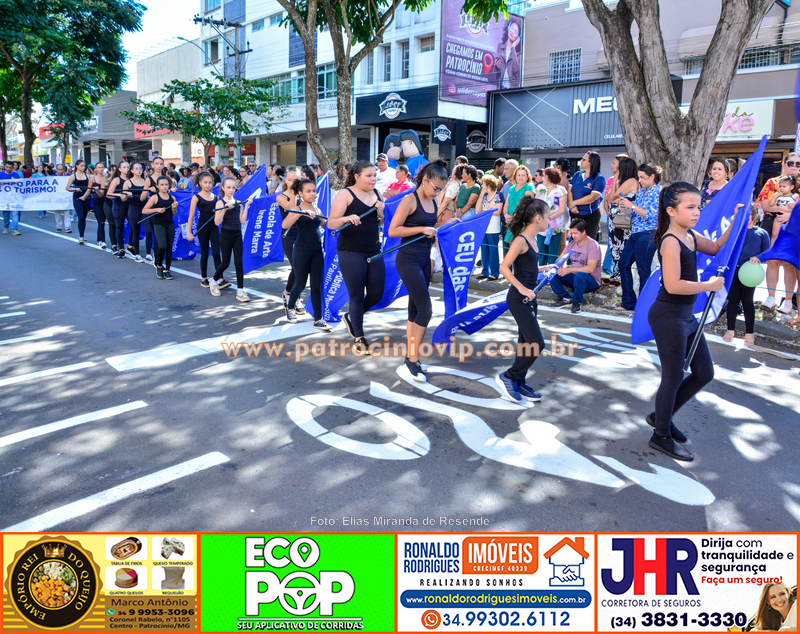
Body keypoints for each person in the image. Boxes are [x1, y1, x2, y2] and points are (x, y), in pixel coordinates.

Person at [646, 182, 738, 461]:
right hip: (668, 316)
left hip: (686, 317)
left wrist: (737, 220)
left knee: (704, 373)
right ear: (671, 210)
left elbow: (717, 247)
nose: (697, 212)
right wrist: (709, 286)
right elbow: (673, 285)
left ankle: (661, 416)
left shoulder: (690, 235)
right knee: (673, 377)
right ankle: (660, 435)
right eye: (691, 207)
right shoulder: (670, 241)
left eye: (699, 206)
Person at [389, 159, 449, 381]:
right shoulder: (409, 199)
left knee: (415, 311)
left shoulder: (433, 202)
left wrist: (448, 226)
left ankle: (410, 356)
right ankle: (413, 359)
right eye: (435, 188)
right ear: (425, 181)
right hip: (408, 260)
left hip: (425, 259)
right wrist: (421, 229)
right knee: (426, 310)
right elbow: (393, 231)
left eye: (441, 190)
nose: (438, 193)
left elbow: (431, 229)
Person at [496, 196, 550, 404]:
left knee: (525, 342)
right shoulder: (520, 240)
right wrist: (522, 288)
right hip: (519, 298)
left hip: (529, 297)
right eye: (547, 216)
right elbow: (504, 267)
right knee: (537, 343)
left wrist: (545, 268)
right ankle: (510, 376)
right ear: (538, 218)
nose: (549, 220)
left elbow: (527, 269)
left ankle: (519, 380)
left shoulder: (533, 240)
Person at [328, 161, 386, 352]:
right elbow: (331, 224)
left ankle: (352, 316)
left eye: (374, 175)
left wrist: (381, 213)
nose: (373, 179)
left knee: (377, 293)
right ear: (357, 176)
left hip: (373, 249)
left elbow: (380, 223)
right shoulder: (346, 194)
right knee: (356, 295)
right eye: (368, 175)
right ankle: (359, 337)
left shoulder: (377, 194)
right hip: (350, 251)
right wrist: (346, 218)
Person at [282, 178, 331, 330]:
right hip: (301, 251)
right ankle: (290, 308)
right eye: (308, 191)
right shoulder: (296, 208)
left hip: (317, 252)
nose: (312, 194)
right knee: (300, 284)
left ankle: (318, 319)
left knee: (316, 286)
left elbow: (327, 226)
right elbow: (284, 225)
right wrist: (301, 213)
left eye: (314, 191)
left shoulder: (318, 210)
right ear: (300, 193)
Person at [616, 163, 662, 311]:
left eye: (643, 177)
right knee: (623, 265)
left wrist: (632, 206)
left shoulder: (659, 191)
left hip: (649, 233)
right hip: (636, 232)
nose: (640, 180)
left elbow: (651, 215)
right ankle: (629, 302)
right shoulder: (642, 192)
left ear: (653, 177)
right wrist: (625, 208)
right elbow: (634, 214)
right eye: (639, 177)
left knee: (643, 271)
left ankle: (643, 306)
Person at [757, 153, 800, 312]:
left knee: (790, 264)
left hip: (795, 228)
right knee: (773, 260)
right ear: (784, 164)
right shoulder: (773, 182)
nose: (794, 166)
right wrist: (784, 210)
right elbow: (765, 205)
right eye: (791, 163)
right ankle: (770, 297)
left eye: (798, 164)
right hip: (772, 223)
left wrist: (792, 215)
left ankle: (788, 301)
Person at [724, 205, 770, 345]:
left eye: (749, 214)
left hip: (749, 273)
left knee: (747, 301)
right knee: (733, 300)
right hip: (735, 270)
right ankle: (730, 329)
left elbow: (766, 253)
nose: (746, 216)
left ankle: (749, 333)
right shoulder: (736, 231)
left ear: (755, 216)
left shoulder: (761, 233)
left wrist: (758, 258)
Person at [209, 177, 253, 302]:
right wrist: (224, 208)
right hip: (226, 235)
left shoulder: (238, 202)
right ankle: (214, 281)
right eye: (228, 187)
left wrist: (246, 206)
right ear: (223, 188)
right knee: (226, 263)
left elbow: (242, 220)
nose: (231, 190)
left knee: (239, 263)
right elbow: (217, 222)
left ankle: (240, 291)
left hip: (237, 234)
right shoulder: (220, 202)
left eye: (233, 187)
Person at [549, 218, 602, 314]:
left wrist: (569, 270)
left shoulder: (593, 245)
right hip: (575, 277)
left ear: (584, 232)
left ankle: (577, 302)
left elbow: (590, 269)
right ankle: (565, 298)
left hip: (591, 280)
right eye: (571, 233)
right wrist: (556, 267)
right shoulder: (572, 244)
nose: (573, 236)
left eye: (575, 233)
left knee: (580, 275)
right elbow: (560, 259)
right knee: (552, 273)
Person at [187, 171, 227, 289]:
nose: (208, 185)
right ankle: (204, 278)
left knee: (216, 253)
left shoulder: (216, 197)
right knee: (204, 253)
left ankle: (220, 278)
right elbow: (191, 215)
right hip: (202, 227)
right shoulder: (196, 197)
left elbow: (220, 213)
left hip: (214, 227)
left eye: (210, 182)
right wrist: (189, 232)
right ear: (200, 183)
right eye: (205, 182)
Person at [276, 166, 306, 316]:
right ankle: (292, 295)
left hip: (303, 235)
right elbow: (291, 208)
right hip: (289, 234)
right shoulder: (281, 196)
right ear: (285, 180)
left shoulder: (305, 194)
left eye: (296, 179)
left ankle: (291, 294)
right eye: (289, 179)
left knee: (300, 268)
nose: (292, 182)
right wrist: (295, 191)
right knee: (297, 267)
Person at [607, 157, 639, 282]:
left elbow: (613, 196)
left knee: (621, 246)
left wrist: (615, 181)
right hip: (615, 220)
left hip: (623, 221)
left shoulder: (631, 181)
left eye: (619, 168)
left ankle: (620, 276)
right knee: (614, 246)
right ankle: (616, 274)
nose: (616, 170)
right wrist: (616, 182)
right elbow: (610, 198)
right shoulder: (622, 182)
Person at [141, 176, 178, 280]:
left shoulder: (172, 198)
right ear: (157, 186)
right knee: (162, 246)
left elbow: (174, 214)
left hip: (170, 224)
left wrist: (174, 208)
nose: (164, 187)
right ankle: (159, 265)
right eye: (162, 185)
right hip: (158, 224)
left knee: (169, 247)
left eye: (166, 184)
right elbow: (144, 210)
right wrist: (157, 209)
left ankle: (168, 270)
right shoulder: (155, 197)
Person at [568, 151, 605, 241]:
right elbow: (569, 190)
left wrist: (573, 203)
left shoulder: (599, 178)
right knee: (573, 242)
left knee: (587, 243)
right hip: (575, 215)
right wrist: (571, 205)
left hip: (590, 216)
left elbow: (592, 197)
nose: (581, 160)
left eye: (584, 159)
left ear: (591, 162)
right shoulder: (577, 174)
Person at [535, 167, 568, 266]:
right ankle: (541, 276)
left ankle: (551, 277)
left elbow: (562, 209)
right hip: (541, 226)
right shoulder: (540, 188)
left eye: (544, 176)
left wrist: (549, 218)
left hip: (556, 226)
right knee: (541, 253)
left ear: (550, 177)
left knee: (553, 253)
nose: (542, 178)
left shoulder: (561, 190)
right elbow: (536, 204)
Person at [476, 175, 504, 280]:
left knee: (493, 249)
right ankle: (485, 271)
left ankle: (494, 272)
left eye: (483, 184)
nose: (482, 185)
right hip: (484, 227)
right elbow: (478, 210)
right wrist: (481, 195)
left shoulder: (498, 195)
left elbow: (498, 211)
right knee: (484, 249)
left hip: (494, 227)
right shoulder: (483, 196)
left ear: (488, 185)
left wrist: (487, 211)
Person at [502, 165, 535, 254]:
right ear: (515, 176)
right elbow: (506, 204)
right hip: (511, 223)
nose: (521, 177)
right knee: (511, 250)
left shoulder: (529, 187)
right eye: (519, 175)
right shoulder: (512, 188)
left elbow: (526, 205)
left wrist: (515, 218)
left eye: (523, 175)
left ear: (527, 177)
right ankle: (513, 268)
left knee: (521, 250)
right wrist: (506, 215)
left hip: (522, 222)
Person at [122, 162, 149, 262]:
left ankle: (149, 254)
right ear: (132, 170)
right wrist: (126, 193)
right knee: (135, 230)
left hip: (145, 208)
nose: (139, 170)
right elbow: (123, 198)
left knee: (148, 230)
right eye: (136, 168)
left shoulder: (146, 181)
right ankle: (137, 253)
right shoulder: (128, 182)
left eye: (140, 168)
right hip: (133, 208)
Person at [66, 159, 93, 245]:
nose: (83, 167)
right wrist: (74, 189)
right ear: (77, 166)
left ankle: (82, 235)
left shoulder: (87, 175)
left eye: (84, 166)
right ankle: (81, 236)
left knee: (84, 217)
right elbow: (67, 187)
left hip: (86, 197)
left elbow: (90, 186)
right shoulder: (73, 176)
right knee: (80, 216)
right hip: (77, 197)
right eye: (81, 165)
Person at [107, 161, 130, 258]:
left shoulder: (132, 179)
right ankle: (121, 248)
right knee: (119, 227)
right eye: (124, 167)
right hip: (119, 205)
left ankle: (131, 246)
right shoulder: (116, 180)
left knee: (134, 226)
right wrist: (120, 195)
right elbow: (108, 194)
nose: (126, 169)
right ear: (120, 169)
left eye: (128, 167)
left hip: (131, 205)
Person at [90, 162, 111, 249]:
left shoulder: (107, 179)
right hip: (97, 202)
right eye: (99, 167)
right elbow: (88, 191)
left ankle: (99, 239)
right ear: (95, 168)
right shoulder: (92, 179)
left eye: (102, 167)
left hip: (106, 202)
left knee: (104, 222)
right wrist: (83, 197)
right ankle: (102, 241)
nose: (101, 169)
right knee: (101, 221)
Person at [52, 164, 72, 234]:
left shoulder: (67, 178)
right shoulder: (52, 178)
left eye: (61, 169)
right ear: (56, 170)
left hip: (65, 197)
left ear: (64, 170)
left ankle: (68, 227)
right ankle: (59, 227)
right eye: (59, 169)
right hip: (56, 198)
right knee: (57, 213)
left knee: (66, 213)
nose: (60, 171)